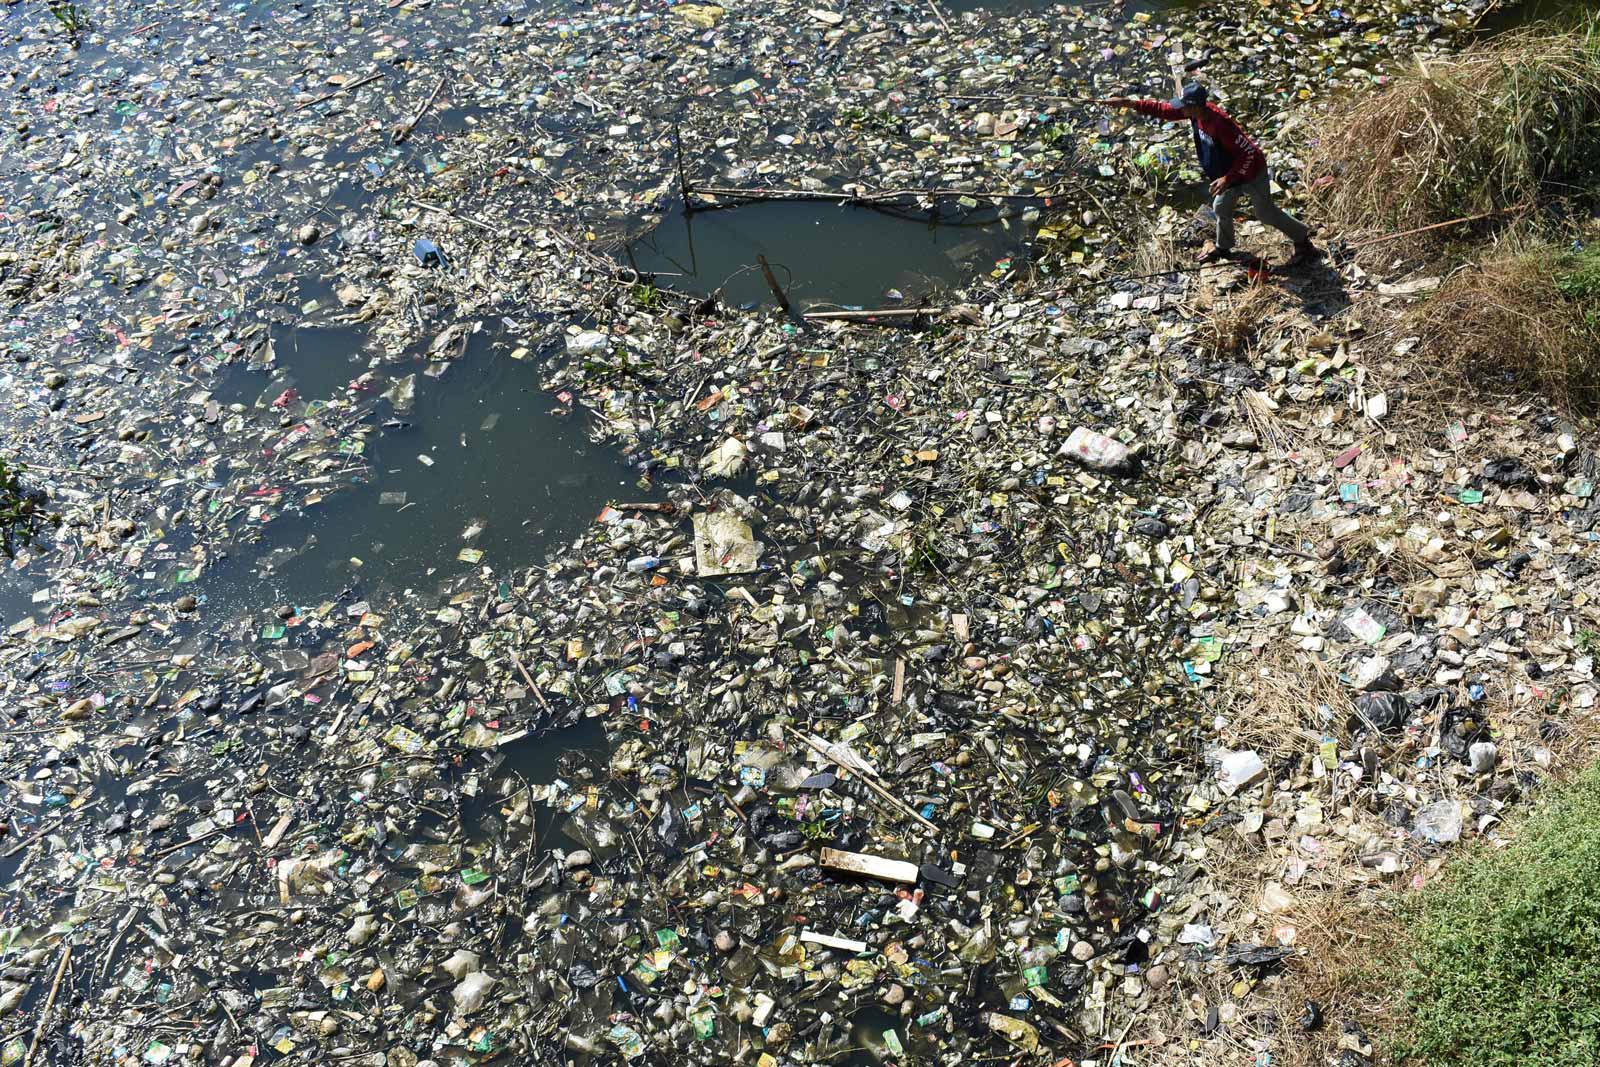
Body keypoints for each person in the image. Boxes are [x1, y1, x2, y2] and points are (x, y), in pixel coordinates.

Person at [1099, 83, 1318, 265]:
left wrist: (1227, 179)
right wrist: (1128, 103)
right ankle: (1224, 248)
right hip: (1227, 175)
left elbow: (1249, 154)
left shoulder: (1220, 124)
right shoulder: (1194, 113)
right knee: (1221, 208)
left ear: (1195, 106)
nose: (1180, 110)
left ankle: (1303, 240)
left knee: (1266, 214)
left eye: (1184, 106)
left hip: (1251, 172)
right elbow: (1163, 111)